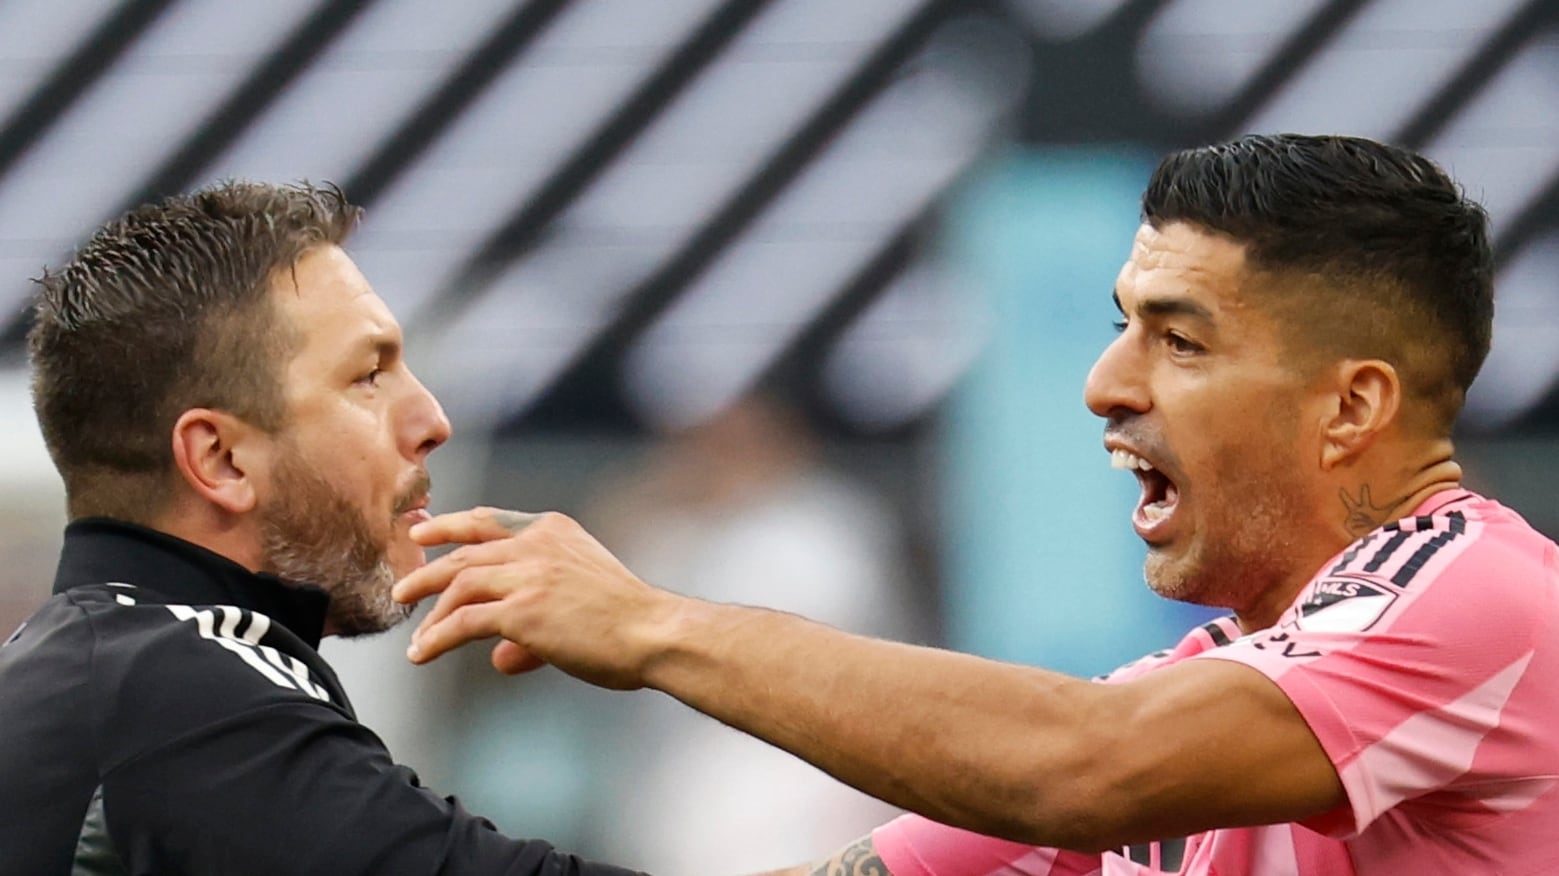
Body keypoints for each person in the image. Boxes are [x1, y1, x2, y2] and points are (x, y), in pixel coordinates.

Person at [392, 134, 1559, 875]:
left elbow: (1084, 765)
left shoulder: (1474, 596)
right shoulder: (1211, 690)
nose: (1105, 385)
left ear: (1351, 406)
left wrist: (651, 624)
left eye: (1179, 340)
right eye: (1120, 327)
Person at [0, 182, 645, 874]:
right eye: (369, 376)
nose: (432, 421)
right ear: (221, 459)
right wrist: (659, 631)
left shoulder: (85, 668)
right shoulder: (186, 701)